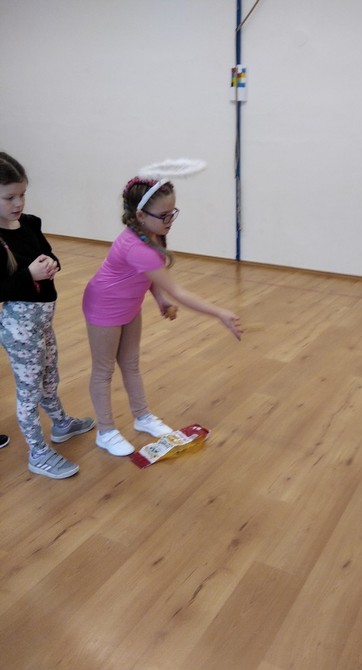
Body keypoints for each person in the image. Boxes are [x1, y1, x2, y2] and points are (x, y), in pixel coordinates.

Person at [82, 169, 243, 457]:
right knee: (104, 371)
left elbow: (148, 277)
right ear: (140, 216)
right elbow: (178, 291)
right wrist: (219, 312)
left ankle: (142, 416)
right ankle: (105, 431)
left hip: (129, 305)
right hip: (103, 307)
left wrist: (159, 299)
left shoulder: (151, 236)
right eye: (164, 215)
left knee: (131, 363)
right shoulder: (137, 247)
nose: (170, 221)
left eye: (172, 213)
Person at [0, 152, 95, 479]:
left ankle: (61, 424)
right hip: (20, 327)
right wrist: (30, 275)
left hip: (42, 322)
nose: (18, 203)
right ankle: (38, 453)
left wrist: (52, 264)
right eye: (9, 197)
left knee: (50, 376)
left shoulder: (30, 223)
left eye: (22, 194)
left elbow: (49, 254)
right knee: (29, 391)